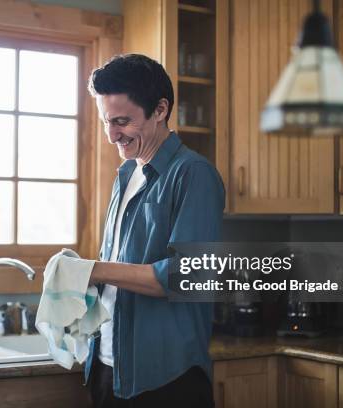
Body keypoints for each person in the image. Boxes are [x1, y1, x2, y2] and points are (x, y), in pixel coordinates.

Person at [85, 54, 225, 408]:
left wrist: (94, 269)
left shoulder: (193, 174)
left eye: (121, 121)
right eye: (106, 122)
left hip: (167, 377)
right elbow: (120, 267)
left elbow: (184, 275)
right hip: (107, 367)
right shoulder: (126, 176)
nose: (112, 135)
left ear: (160, 109)